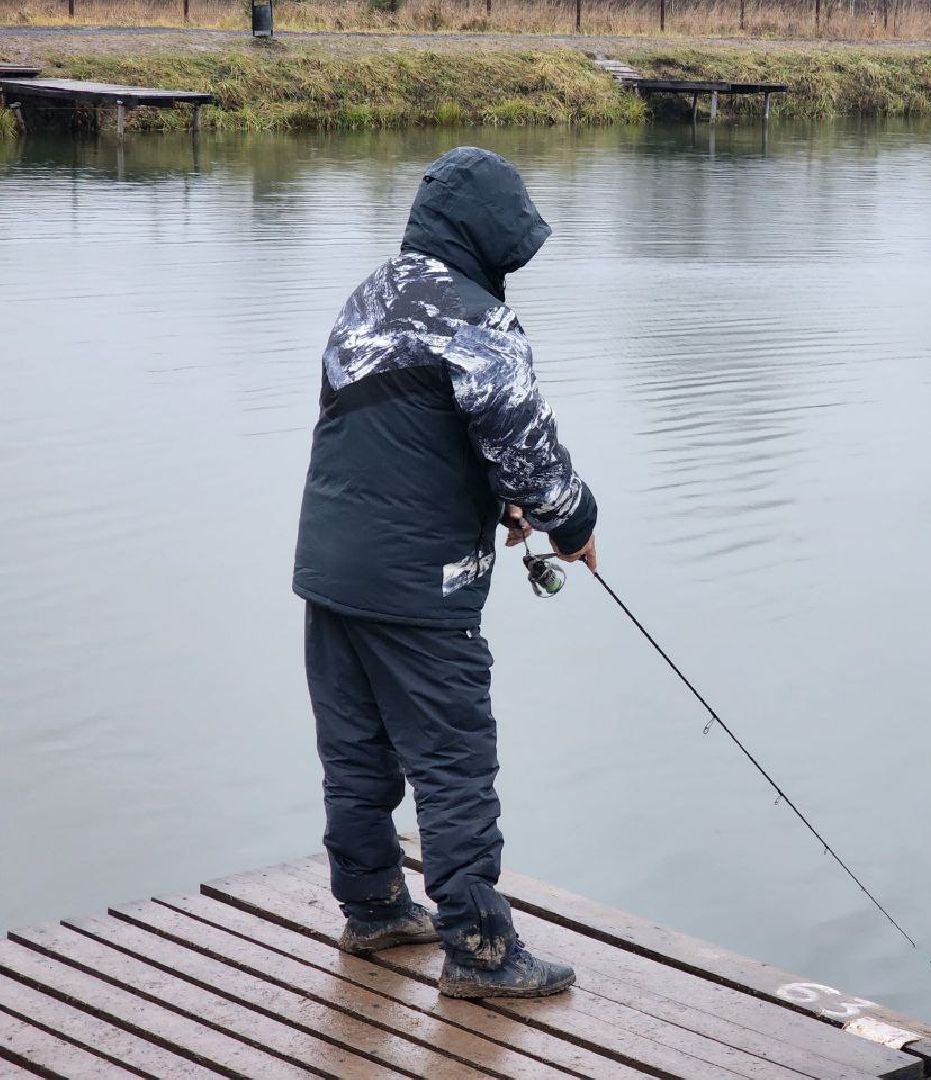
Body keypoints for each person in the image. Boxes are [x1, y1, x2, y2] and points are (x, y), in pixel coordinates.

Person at [292, 147, 597, 999]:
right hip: (421, 586)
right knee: (454, 762)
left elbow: (400, 431)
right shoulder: (477, 321)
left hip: (329, 568)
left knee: (355, 756)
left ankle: (375, 908)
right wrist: (576, 522)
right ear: (484, 233)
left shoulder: (368, 297)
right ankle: (479, 950)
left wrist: (484, 494)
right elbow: (533, 461)